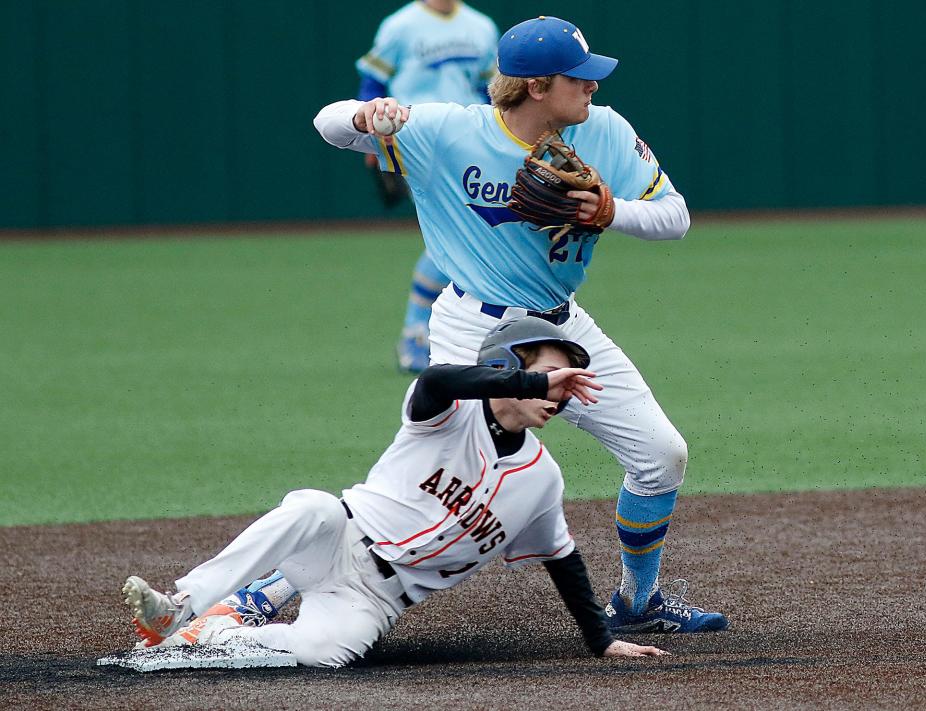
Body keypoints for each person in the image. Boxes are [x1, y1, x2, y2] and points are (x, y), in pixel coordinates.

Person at [313, 15, 729, 633]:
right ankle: (262, 594)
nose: (592, 87)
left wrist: (615, 211)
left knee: (661, 454)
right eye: (578, 78)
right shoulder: (448, 133)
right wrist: (367, 118)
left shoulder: (607, 131)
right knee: (429, 486)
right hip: (471, 327)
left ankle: (637, 604)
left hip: (564, 330)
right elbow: (327, 123)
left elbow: (676, 216)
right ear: (536, 86)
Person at [122, 317, 669, 667]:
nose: (561, 391)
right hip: (338, 539)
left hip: (373, 601)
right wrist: (529, 382)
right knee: (310, 506)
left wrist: (601, 640)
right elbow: (437, 380)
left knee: (325, 654)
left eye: (570, 382)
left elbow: (562, 559)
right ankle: (180, 606)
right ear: (506, 369)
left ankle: (213, 635)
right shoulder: (445, 408)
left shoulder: (542, 479)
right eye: (554, 374)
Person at [355, 0, 499, 373]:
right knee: (461, 232)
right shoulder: (400, 25)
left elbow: (491, 90)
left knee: (466, 233)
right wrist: (371, 138)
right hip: (416, 138)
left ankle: (423, 331)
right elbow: (373, 82)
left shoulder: (481, 27)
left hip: (469, 141)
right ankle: (418, 331)